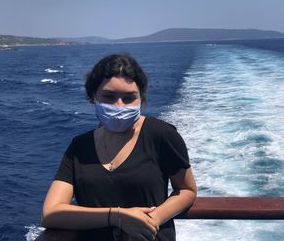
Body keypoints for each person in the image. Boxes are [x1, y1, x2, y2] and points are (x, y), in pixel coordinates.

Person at [41, 53, 197, 241]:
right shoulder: (80, 147)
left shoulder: (162, 135)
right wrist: (117, 217)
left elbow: (187, 190)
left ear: (142, 99)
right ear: (93, 97)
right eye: (109, 97)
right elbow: (50, 213)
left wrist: (152, 220)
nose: (119, 105)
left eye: (129, 98)